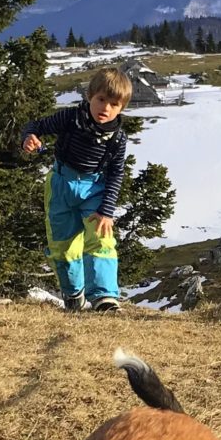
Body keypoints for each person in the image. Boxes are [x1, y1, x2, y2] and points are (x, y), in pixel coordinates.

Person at [22, 66, 132, 311]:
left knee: (101, 240)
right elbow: (36, 126)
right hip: (60, 184)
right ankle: (73, 295)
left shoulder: (117, 138)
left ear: (121, 108)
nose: (106, 108)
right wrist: (29, 137)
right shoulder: (71, 118)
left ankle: (105, 299)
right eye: (101, 100)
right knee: (62, 246)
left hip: (94, 189)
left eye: (114, 104)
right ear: (89, 96)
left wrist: (107, 210)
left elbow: (116, 172)